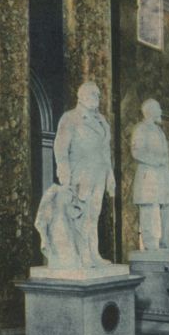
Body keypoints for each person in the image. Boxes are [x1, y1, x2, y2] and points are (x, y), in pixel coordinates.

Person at [53, 81, 115, 266]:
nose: (96, 98)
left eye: (97, 95)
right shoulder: (71, 118)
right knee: (80, 214)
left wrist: (110, 175)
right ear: (81, 97)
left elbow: (105, 151)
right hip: (80, 171)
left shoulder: (102, 120)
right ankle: (82, 255)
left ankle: (93, 253)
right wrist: (64, 172)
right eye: (92, 95)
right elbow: (60, 147)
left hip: (99, 173)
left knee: (94, 214)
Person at [131, 99, 169, 250]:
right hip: (148, 175)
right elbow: (137, 152)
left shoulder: (158, 130)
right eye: (158, 109)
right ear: (150, 111)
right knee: (150, 209)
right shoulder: (141, 129)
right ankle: (151, 243)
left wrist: (168, 173)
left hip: (162, 175)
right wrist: (156, 161)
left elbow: (165, 157)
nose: (161, 112)